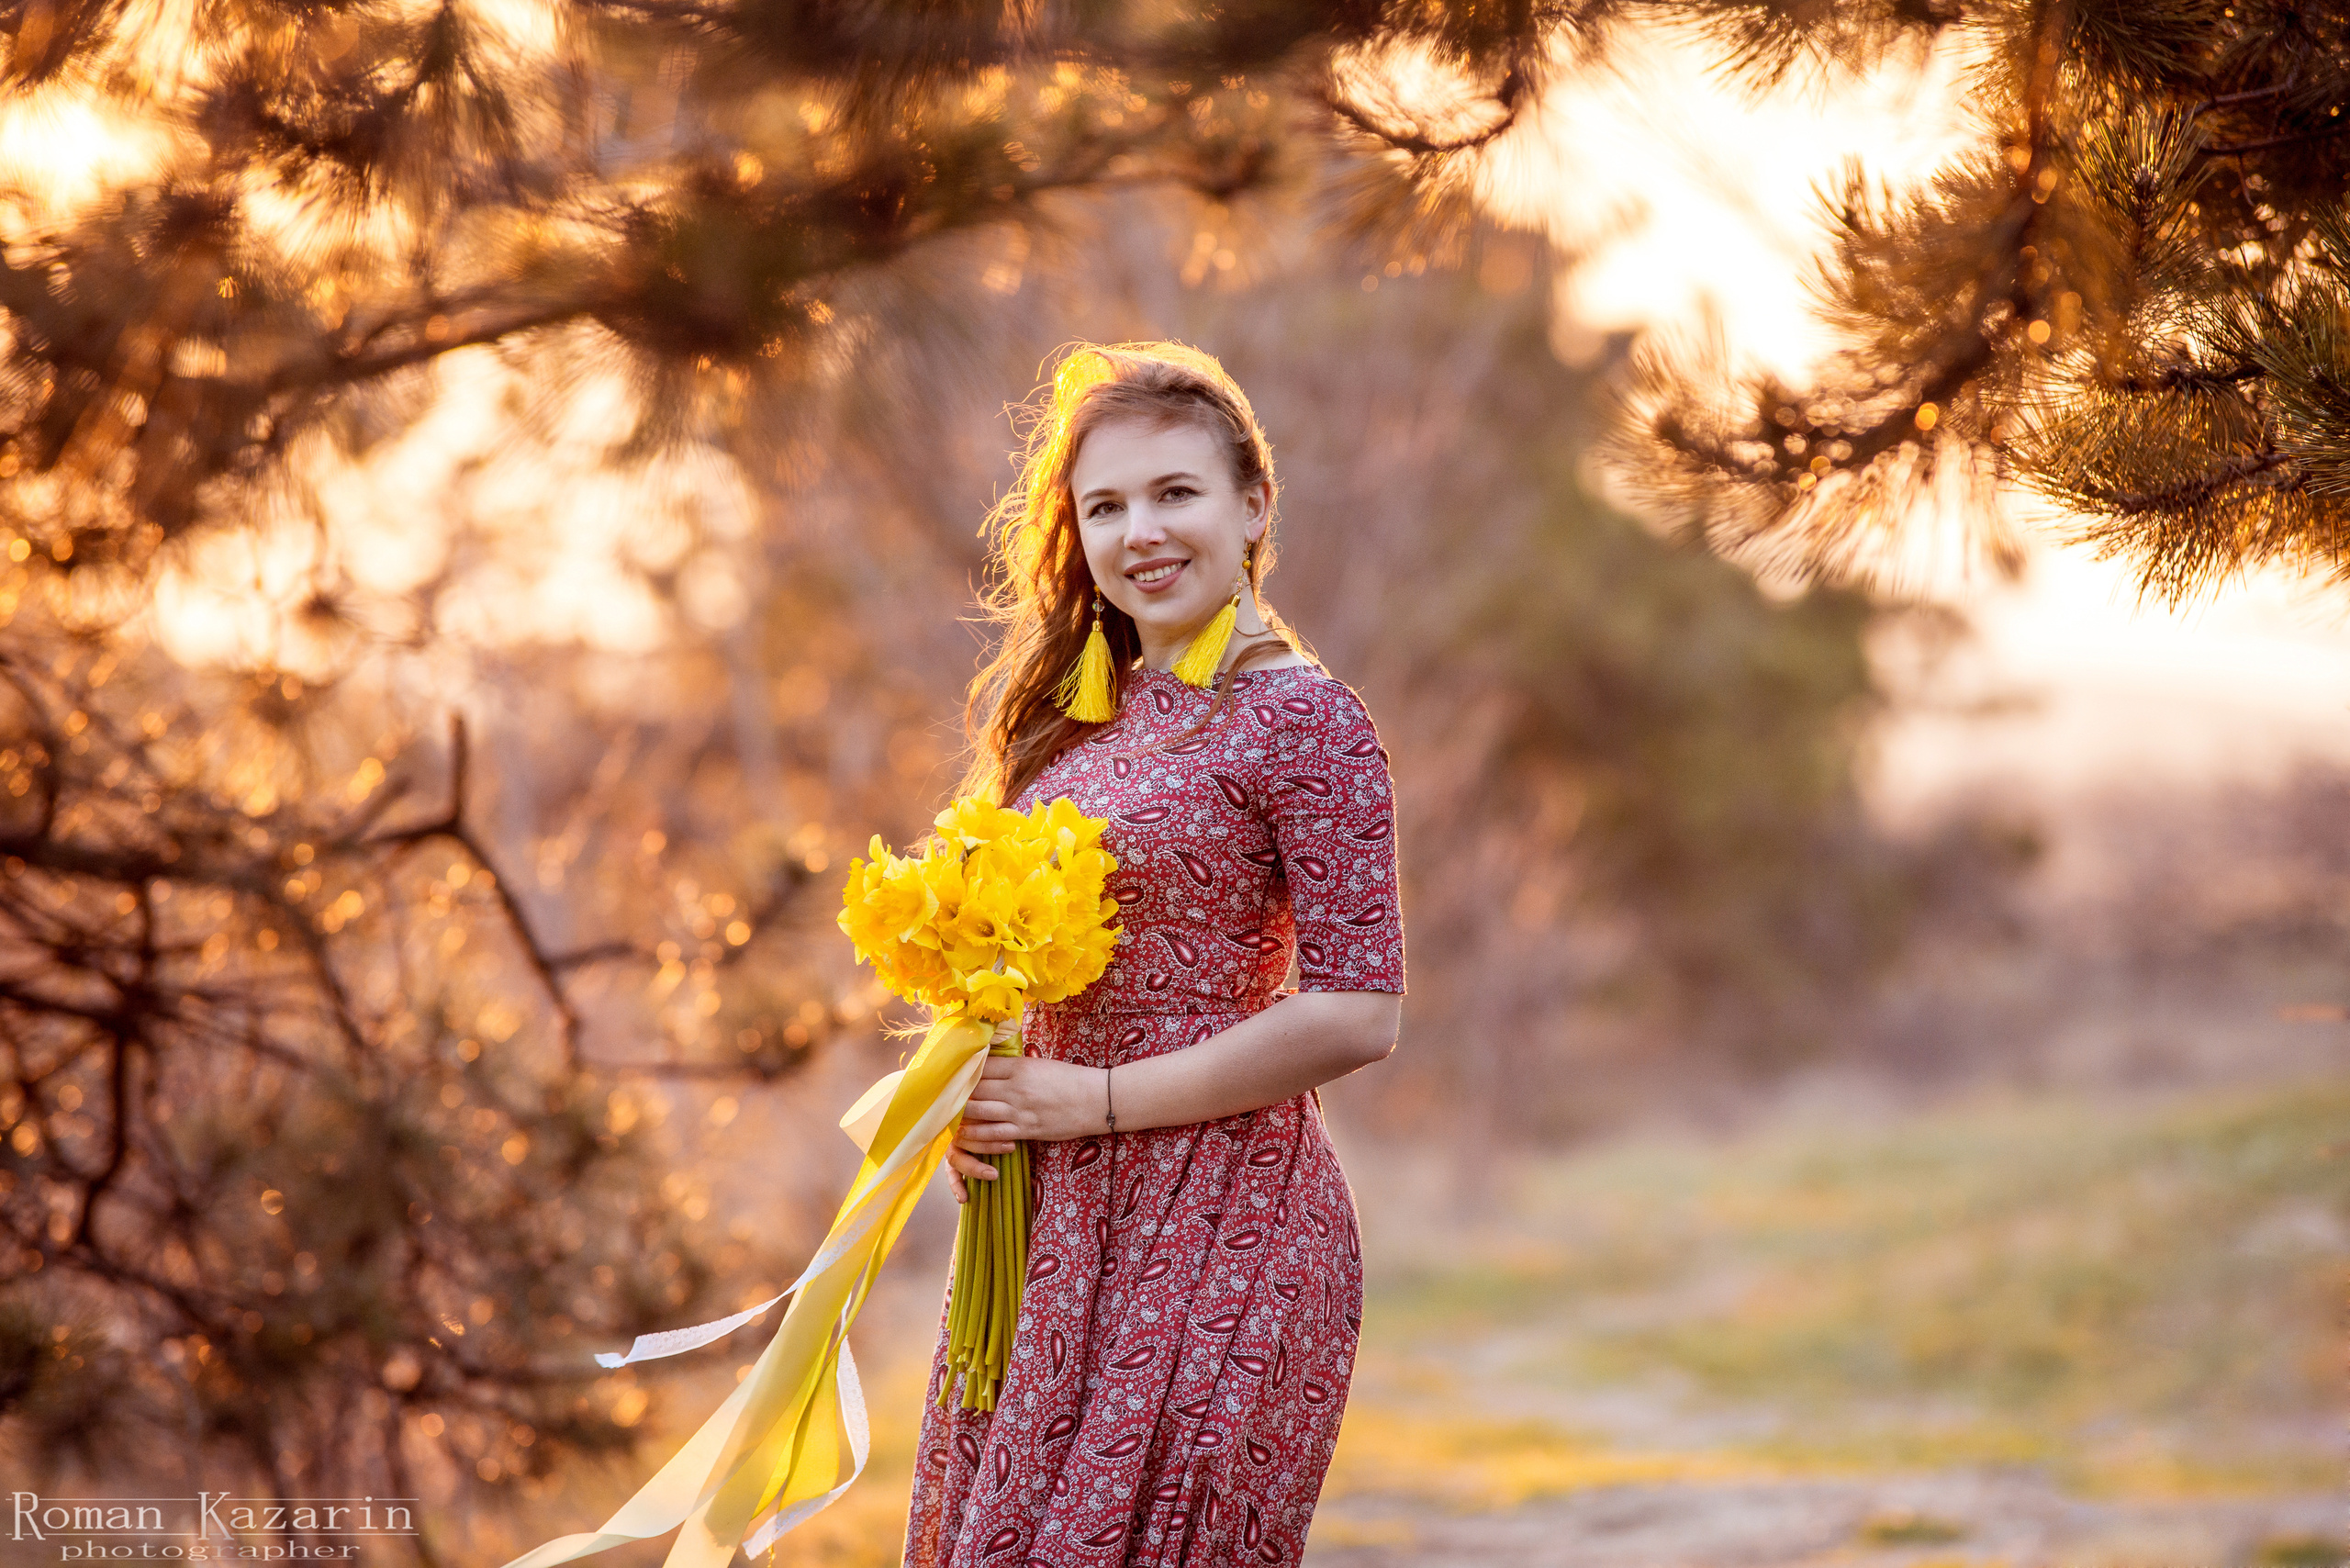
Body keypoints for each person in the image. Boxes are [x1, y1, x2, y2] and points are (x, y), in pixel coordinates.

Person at [901, 342, 1407, 1567]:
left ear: (1253, 505)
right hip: (1054, 1224)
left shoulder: (1308, 719)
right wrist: (980, 1098)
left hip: (1225, 1216)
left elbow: (1358, 1011)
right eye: (1106, 506)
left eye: (1174, 493)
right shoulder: (1090, 714)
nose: (1141, 533)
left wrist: (1095, 1100)